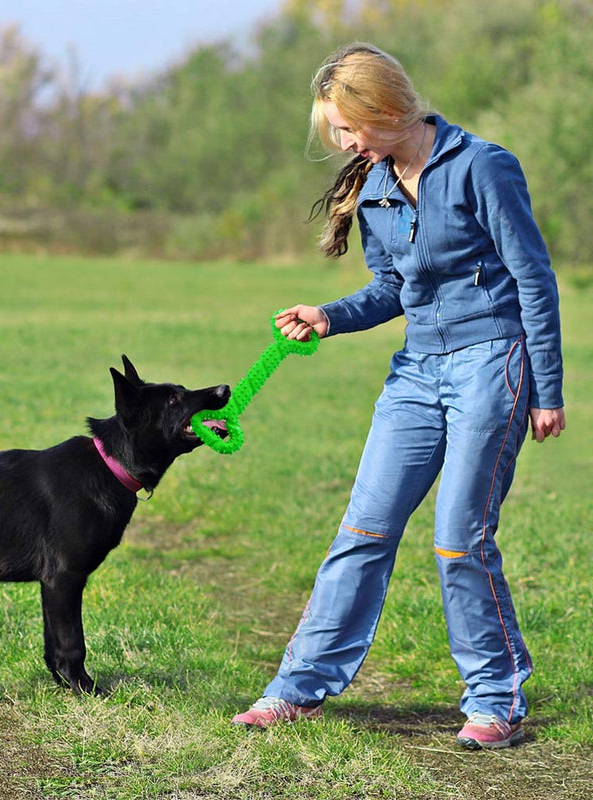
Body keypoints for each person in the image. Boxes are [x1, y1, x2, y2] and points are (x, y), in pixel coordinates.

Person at [231, 43, 565, 749]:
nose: (346, 147)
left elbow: (533, 279)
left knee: (459, 541)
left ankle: (494, 698)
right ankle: (296, 688)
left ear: (385, 109)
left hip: (490, 363)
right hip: (417, 370)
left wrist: (547, 388)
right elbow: (391, 290)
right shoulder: (374, 185)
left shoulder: (483, 167)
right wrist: (329, 315)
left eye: (349, 131)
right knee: (363, 529)